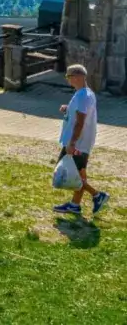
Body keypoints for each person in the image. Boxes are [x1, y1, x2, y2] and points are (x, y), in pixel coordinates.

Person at [53, 64, 109, 217]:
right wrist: (67, 108)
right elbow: (77, 113)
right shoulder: (84, 93)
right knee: (79, 173)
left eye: (68, 76)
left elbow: (80, 122)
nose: (67, 80)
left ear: (77, 76)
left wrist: (72, 143)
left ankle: (97, 195)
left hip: (77, 143)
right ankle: (75, 205)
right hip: (80, 142)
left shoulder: (83, 95)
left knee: (72, 174)